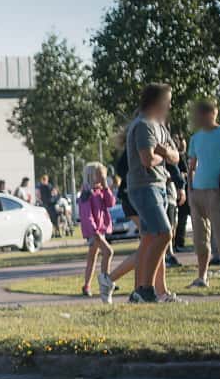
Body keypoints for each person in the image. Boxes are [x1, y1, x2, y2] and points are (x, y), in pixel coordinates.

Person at [122, 83, 184, 303]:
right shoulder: (143, 126)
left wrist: (164, 152)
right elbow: (146, 159)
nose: (169, 105)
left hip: (159, 186)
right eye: (166, 100)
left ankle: (141, 291)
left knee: (149, 239)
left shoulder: (160, 127)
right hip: (144, 186)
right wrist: (162, 154)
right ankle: (145, 289)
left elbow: (177, 156)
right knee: (164, 234)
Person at [183, 98, 220, 289]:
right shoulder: (195, 138)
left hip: (217, 192)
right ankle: (202, 277)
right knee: (200, 239)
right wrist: (190, 189)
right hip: (197, 193)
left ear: (212, 113)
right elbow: (191, 166)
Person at [76, 163, 118, 301]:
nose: (102, 177)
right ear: (91, 176)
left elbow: (111, 203)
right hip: (94, 232)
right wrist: (94, 232)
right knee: (108, 252)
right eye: (99, 175)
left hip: (101, 230)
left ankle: (87, 285)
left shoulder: (101, 191)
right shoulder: (86, 193)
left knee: (92, 257)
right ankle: (106, 280)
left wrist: (106, 186)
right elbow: (86, 215)